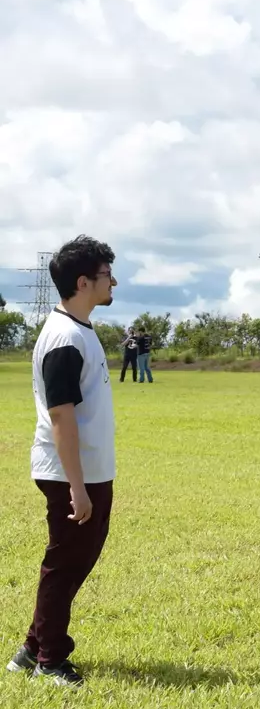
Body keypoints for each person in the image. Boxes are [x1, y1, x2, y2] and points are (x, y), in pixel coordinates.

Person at [9, 235, 119, 686]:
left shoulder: (78, 331)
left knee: (76, 560)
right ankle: (51, 660)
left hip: (88, 469)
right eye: (106, 274)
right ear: (83, 281)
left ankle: (30, 650)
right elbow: (60, 416)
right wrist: (76, 488)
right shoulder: (64, 338)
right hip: (70, 473)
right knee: (65, 563)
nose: (114, 280)